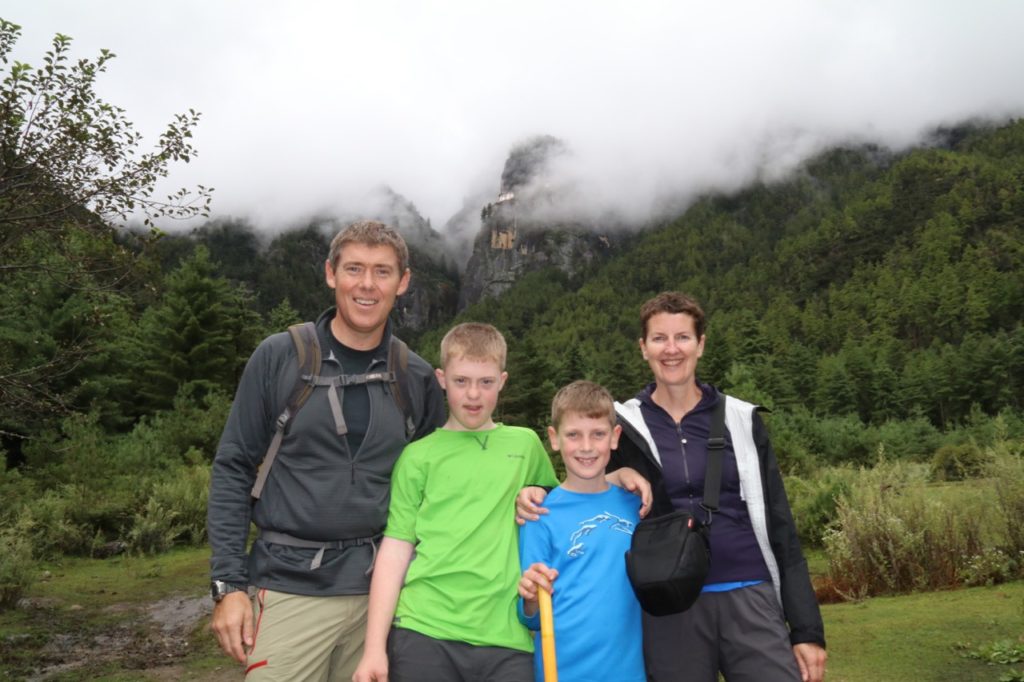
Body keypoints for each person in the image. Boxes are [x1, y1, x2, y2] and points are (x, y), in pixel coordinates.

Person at [207, 220, 447, 681]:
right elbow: (234, 467)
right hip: (288, 589)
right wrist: (228, 585)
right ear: (330, 273)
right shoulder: (280, 358)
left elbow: (442, 485)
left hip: (384, 599)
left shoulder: (414, 376)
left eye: (382, 271)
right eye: (354, 268)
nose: (367, 284)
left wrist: (528, 493)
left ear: (403, 282)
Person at [610, 291, 827, 682]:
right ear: (643, 348)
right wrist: (597, 479)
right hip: (669, 606)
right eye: (659, 338)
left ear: (701, 345)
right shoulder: (620, 427)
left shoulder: (742, 419)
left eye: (683, 337)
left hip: (750, 594)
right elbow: (587, 492)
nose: (671, 349)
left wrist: (807, 630)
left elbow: (781, 526)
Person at [352, 322, 561, 682]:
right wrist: (373, 648)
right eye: (461, 381)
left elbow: (566, 502)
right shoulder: (417, 457)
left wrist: (547, 491)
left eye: (486, 382)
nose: (473, 395)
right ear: (442, 378)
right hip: (424, 629)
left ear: (503, 380)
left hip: (507, 635)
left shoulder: (526, 445)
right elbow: (396, 549)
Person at [518, 380, 645, 682]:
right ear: (554, 438)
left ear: (615, 438)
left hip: (628, 673)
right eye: (573, 435)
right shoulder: (540, 514)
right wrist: (531, 598)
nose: (586, 447)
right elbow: (528, 615)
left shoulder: (635, 506)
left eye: (598, 434)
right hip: (560, 671)